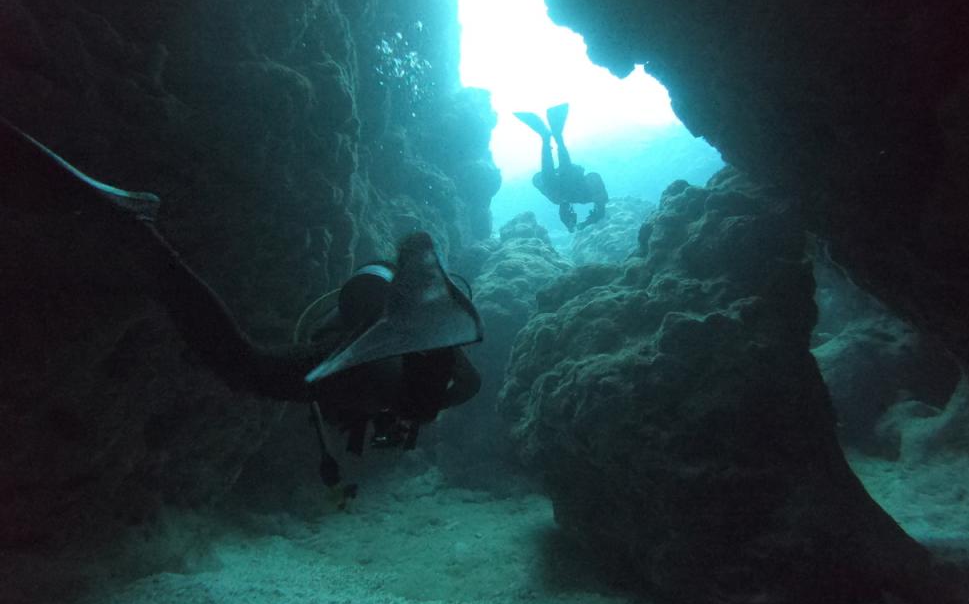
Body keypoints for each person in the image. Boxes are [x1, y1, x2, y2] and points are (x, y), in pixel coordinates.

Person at [1, 117, 484, 494]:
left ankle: (429, 310)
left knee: (436, 390)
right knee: (246, 365)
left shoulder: (388, 374)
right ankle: (137, 230)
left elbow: (451, 381)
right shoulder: (375, 376)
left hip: (375, 315)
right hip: (369, 325)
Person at [514, 103, 607, 232]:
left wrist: (575, 225)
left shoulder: (562, 199)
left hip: (565, 188)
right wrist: (579, 224)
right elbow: (598, 209)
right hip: (571, 184)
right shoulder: (585, 196)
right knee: (560, 175)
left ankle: (548, 137)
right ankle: (553, 137)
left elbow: (565, 212)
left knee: (553, 179)